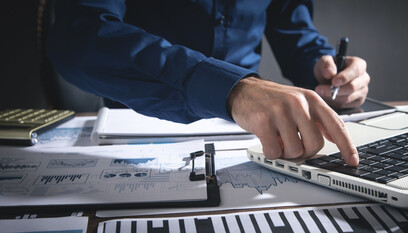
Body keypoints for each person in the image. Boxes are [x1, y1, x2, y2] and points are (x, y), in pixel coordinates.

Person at [47, 0, 370, 166]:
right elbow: (81, 37)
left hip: (254, 133)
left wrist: (324, 69)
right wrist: (231, 88)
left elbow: (294, 30)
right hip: (139, 124)